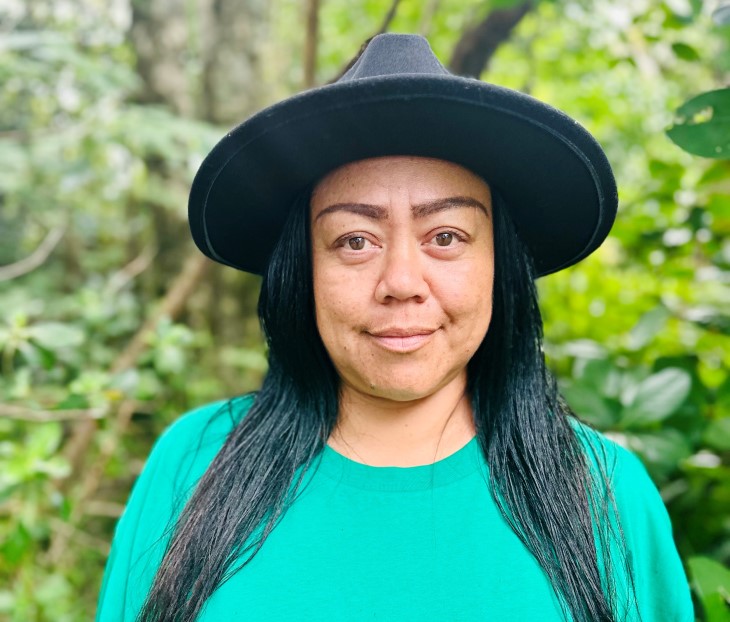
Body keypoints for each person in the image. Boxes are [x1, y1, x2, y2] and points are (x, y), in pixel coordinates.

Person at [96, 34, 694, 622]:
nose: (402, 280)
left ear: (498, 266)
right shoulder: (193, 463)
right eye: (355, 241)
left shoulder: (607, 493)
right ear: (303, 270)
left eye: (446, 237)